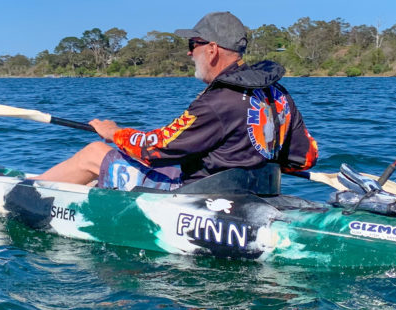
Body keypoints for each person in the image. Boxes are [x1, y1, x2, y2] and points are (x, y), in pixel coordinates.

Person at [33, 11, 318, 191]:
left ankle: (24, 193)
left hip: (200, 195)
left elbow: (155, 149)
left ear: (212, 50)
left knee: (94, 153)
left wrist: (114, 133)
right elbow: (305, 157)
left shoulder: (218, 101)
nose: (189, 53)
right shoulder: (277, 93)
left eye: (193, 45)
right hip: (251, 191)